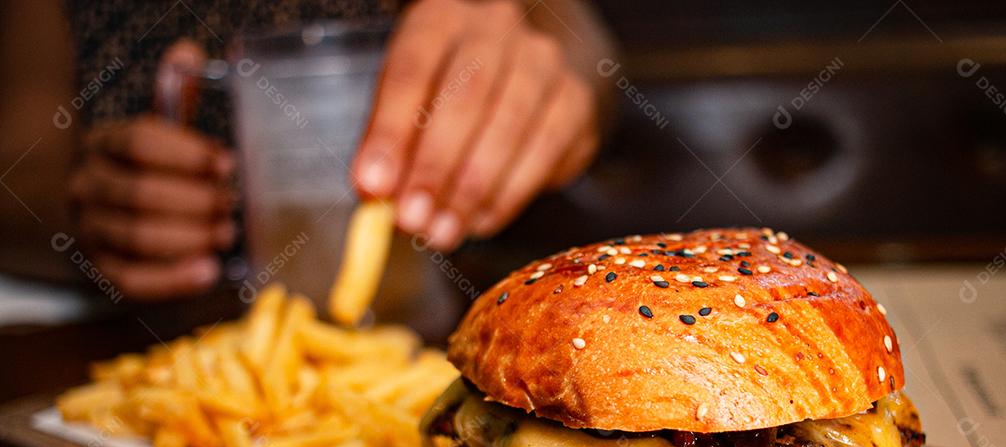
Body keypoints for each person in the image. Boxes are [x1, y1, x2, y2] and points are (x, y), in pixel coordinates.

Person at [63, 0, 615, 300]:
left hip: (429, 309)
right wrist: (84, 202)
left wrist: (550, 84)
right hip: (122, 324)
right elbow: (19, 156)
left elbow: (584, 48)